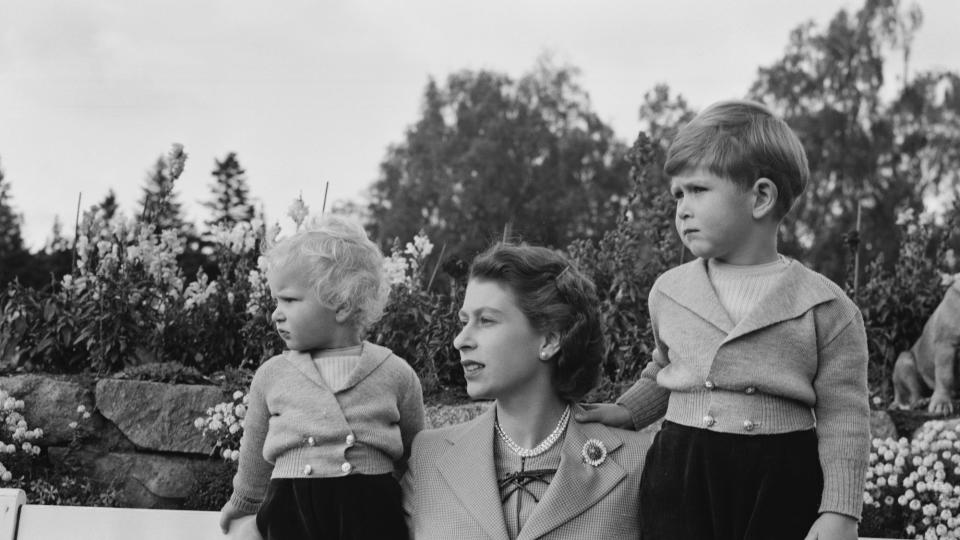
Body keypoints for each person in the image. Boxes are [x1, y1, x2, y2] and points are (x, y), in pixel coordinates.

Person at [576, 100, 870, 540]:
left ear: (761, 197)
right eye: (677, 194)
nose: (682, 208)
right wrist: (626, 410)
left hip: (781, 480)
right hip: (681, 472)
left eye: (697, 190)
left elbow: (845, 415)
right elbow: (665, 368)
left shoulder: (826, 306)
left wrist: (841, 513)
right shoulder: (670, 291)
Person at [403, 243, 652, 540]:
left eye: (486, 321)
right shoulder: (428, 458)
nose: (460, 340)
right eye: (464, 321)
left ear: (549, 340)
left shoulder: (639, 462)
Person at [218, 215, 425, 540]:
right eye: (276, 301)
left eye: (289, 299)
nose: (276, 312)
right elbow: (254, 452)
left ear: (340, 304)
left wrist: (417, 511)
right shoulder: (272, 375)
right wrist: (242, 503)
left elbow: (417, 453)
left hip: (372, 512)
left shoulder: (395, 373)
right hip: (291, 508)